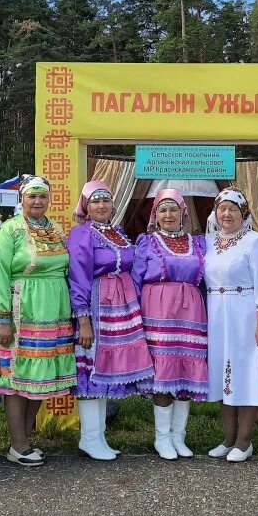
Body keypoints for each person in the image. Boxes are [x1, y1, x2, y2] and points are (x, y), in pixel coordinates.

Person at [0, 175, 76, 467]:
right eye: (32, 196)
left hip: (53, 309)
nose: (37, 202)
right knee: (16, 376)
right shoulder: (8, 231)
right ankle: (18, 443)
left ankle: (23, 440)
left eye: (42, 197)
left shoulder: (57, 229)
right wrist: (2, 317)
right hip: (22, 306)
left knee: (39, 376)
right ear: (21, 199)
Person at [68, 181, 154, 461]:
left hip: (120, 305)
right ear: (86, 207)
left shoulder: (117, 233)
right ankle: (89, 438)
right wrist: (83, 319)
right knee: (92, 370)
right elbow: (79, 276)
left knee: (105, 371)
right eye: (95, 202)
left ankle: (99, 436)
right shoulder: (82, 234)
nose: (102, 206)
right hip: (96, 304)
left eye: (106, 201)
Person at [133, 190, 208, 460]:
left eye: (173, 209)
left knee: (187, 370)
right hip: (158, 309)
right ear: (155, 214)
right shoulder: (146, 243)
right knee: (164, 373)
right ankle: (162, 438)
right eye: (162, 210)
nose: (168, 215)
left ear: (183, 213)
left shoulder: (197, 243)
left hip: (190, 310)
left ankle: (179, 436)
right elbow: (136, 280)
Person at [204, 186, 258, 463]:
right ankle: (228, 438)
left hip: (244, 312)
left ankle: (244, 441)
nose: (227, 214)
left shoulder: (255, 241)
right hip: (217, 315)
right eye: (222, 208)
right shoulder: (208, 241)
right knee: (222, 374)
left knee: (246, 374)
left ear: (243, 213)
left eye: (233, 208)